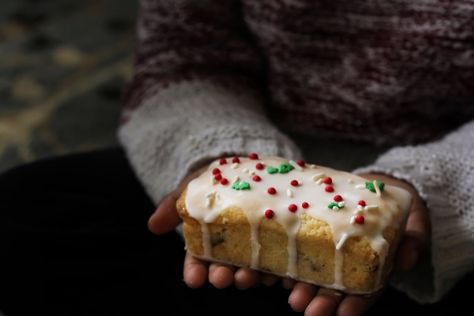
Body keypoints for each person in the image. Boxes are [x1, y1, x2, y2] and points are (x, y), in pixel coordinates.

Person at [1, 0, 472, 315]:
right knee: (20, 211)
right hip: (253, 144)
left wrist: (427, 187)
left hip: (449, 188)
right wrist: (224, 155)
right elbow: (182, 56)